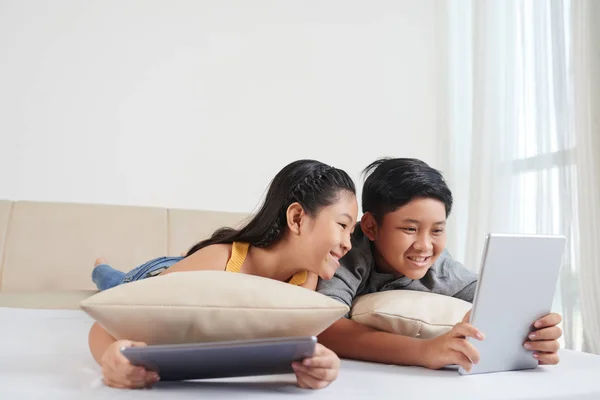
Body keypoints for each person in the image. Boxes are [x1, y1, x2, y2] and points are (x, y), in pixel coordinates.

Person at [89, 159, 359, 390]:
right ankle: (101, 265)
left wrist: (317, 364)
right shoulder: (220, 260)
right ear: (297, 218)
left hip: (191, 267)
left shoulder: (306, 280)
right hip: (156, 273)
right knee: (113, 283)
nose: (348, 243)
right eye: (342, 225)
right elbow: (102, 328)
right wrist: (111, 358)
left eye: (351, 232)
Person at [317, 158, 563, 373]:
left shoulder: (441, 269)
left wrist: (535, 335)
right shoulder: (347, 252)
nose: (425, 246)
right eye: (410, 229)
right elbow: (325, 328)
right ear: (370, 226)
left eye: (437, 230)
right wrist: (425, 351)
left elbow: (499, 302)